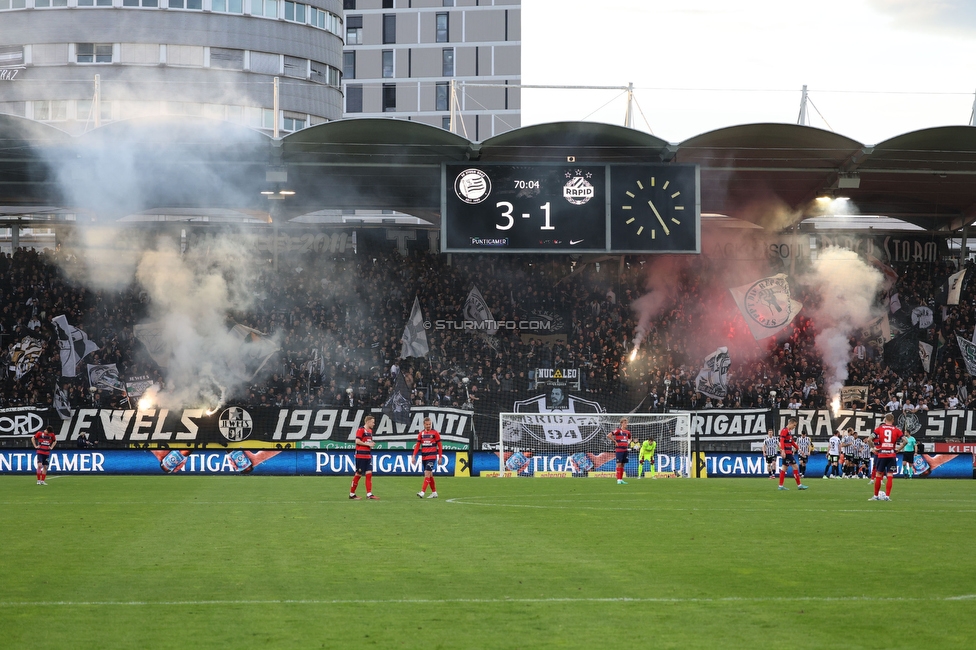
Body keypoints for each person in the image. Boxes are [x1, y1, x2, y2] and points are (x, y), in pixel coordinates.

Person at [869, 413, 907, 501]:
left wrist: (874, 448)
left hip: (882, 454)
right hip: (892, 454)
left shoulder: (879, 429)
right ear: (893, 420)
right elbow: (905, 441)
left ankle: (875, 496)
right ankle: (887, 496)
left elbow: (869, 439)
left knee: (878, 474)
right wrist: (899, 449)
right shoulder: (897, 430)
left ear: (885, 420)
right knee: (890, 475)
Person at [350, 415, 379, 500]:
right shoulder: (361, 430)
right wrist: (368, 444)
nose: (374, 424)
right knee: (358, 474)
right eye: (373, 422)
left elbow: (367, 441)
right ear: (368, 421)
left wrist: (371, 444)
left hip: (368, 455)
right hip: (360, 456)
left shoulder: (370, 431)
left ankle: (369, 494)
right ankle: (352, 494)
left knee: (369, 474)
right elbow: (357, 441)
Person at [413, 417, 443, 498]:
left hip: (432, 457)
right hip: (424, 457)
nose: (428, 426)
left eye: (430, 424)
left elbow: (440, 446)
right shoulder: (421, 434)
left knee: (427, 473)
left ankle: (422, 492)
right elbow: (417, 446)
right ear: (424, 424)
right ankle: (434, 492)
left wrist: (440, 457)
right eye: (427, 424)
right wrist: (413, 456)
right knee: (430, 475)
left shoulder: (435, 433)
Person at [777, 419, 809, 490]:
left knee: (784, 468)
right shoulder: (784, 430)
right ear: (790, 423)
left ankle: (780, 486)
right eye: (794, 425)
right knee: (795, 467)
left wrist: (799, 449)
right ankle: (799, 485)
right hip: (787, 453)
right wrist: (783, 451)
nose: (794, 427)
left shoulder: (789, 431)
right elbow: (781, 441)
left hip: (788, 452)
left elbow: (792, 442)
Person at [608, 417, 631, 484]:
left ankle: (621, 479)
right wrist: (615, 441)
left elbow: (630, 438)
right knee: (619, 464)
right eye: (625, 423)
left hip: (625, 450)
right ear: (621, 423)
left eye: (626, 423)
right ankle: (618, 480)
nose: (626, 424)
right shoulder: (618, 430)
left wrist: (628, 442)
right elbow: (609, 435)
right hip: (619, 450)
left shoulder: (627, 432)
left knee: (623, 464)